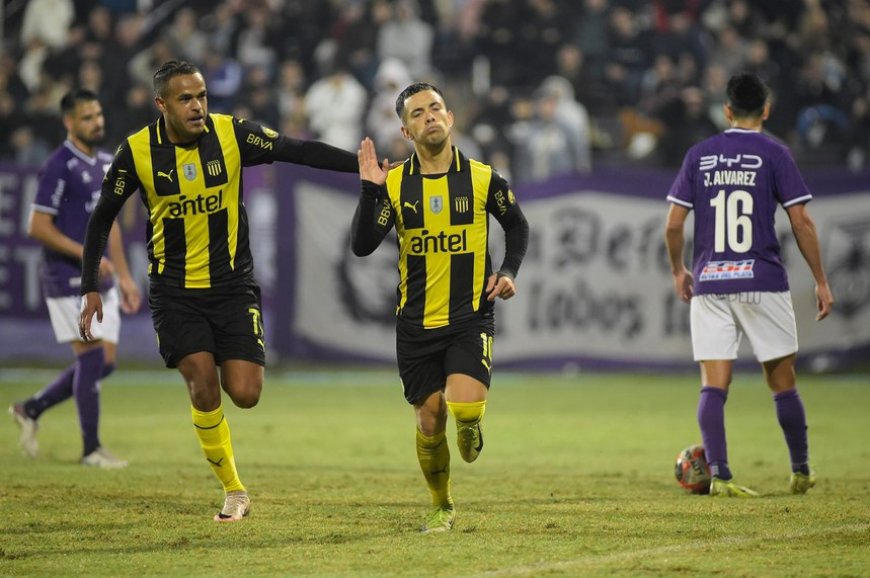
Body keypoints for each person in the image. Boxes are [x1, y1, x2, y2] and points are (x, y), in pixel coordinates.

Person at [78, 60, 359, 521]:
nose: (197, 106)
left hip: (232, 287)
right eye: (186, 98)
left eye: (202, 96)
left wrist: (361, 168)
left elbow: (297, 150)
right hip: (174, 292)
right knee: (202, 386)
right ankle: (234, 490)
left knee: (245, 393)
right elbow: (102, 216)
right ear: (161, 104)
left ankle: (229, 443)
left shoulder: (232, 134)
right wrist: (91, 284)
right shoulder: (136, 152)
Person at [351, 82, 529, 532]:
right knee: (429, 422)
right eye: (417, 113)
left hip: (469, 317)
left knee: (463, 414)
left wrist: (507, 271)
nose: (429, 116)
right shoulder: (394, 184)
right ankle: (442, 504)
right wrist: (370, 190)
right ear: (407, 132)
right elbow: (362, 245)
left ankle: (470, 426)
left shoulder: (484, 178)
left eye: (435, 108)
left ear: (450, 118)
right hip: (414, 325)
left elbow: (517, 226)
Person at [664, 72, 834, 498]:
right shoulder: (775, 153)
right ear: (766, 109)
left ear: (726, 110)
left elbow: (673, 225)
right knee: (782, 381)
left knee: (713, 384)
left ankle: (720, 475)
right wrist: (820, 280)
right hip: (761, 281)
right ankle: (800, 470)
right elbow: (801, 223)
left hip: (711, 282)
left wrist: (678, 270)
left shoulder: (700, 155)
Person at [9, 88, 142, 468]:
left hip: (102, 276)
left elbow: (109, 223)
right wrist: (85, 254)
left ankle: (31, 408)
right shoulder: (58, 165)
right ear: (69, 122)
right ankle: (91, 450)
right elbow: (37, 225)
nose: (97, 122)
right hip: (67, 275)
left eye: (98, 114)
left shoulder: (105, 162)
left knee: (107, 361)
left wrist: (127, 276)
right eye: (87, 117)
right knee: (92, 356)